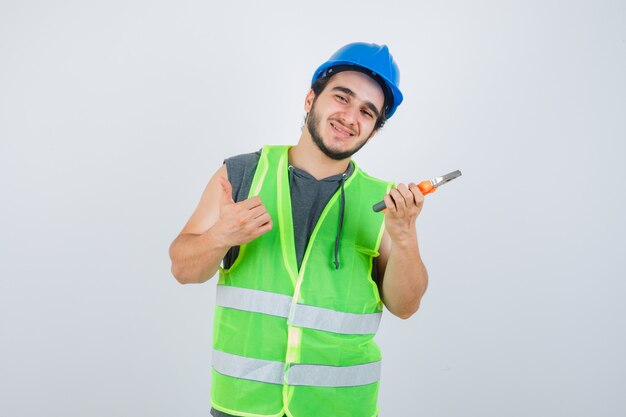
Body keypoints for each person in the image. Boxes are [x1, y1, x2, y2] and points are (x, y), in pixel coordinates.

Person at [169, 42, 429, 417]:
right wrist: (220, 236)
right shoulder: (242, 175)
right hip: (243, 407)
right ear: (310, 99)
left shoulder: (385, 203)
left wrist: (405, 238)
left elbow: (406, 306)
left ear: (372, 131)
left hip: (341, 409)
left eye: (366, 112)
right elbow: (182, 269)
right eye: (342, 97)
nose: (350, 116)